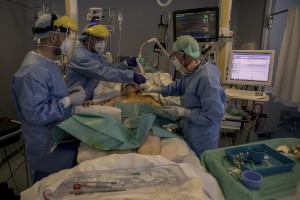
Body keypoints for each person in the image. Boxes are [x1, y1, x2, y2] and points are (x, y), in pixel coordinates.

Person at [12, 14, 86, 180]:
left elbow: (47, 95)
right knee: (44, 185)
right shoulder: (31, 71)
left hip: (55, 133)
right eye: (65, 36)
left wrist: (68, 93)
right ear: (53, 36)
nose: (68, 40)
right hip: (42, 141)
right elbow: (35, 113)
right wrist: (67, 101)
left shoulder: (47, 63)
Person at [141, 35, 226, 157]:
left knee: (201, 168)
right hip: (192, 129)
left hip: (203, 137)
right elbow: (179, 87)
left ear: (185, 55)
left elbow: (214, 114)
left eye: (177, 56)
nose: (176, 60)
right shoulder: (193, 71)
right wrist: (155, 89)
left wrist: (183, 112)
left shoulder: (207, 79)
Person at [65, 24, 146, 100]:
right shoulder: (79, 56)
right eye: (98, 39)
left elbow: (107, 68)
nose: (102, 43)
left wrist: (125, 64)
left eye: (104, 39)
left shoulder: (95, 53)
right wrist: (131, 75)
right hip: (75, 101)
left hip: (88, 97)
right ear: (87, 39)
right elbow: (103, 72)